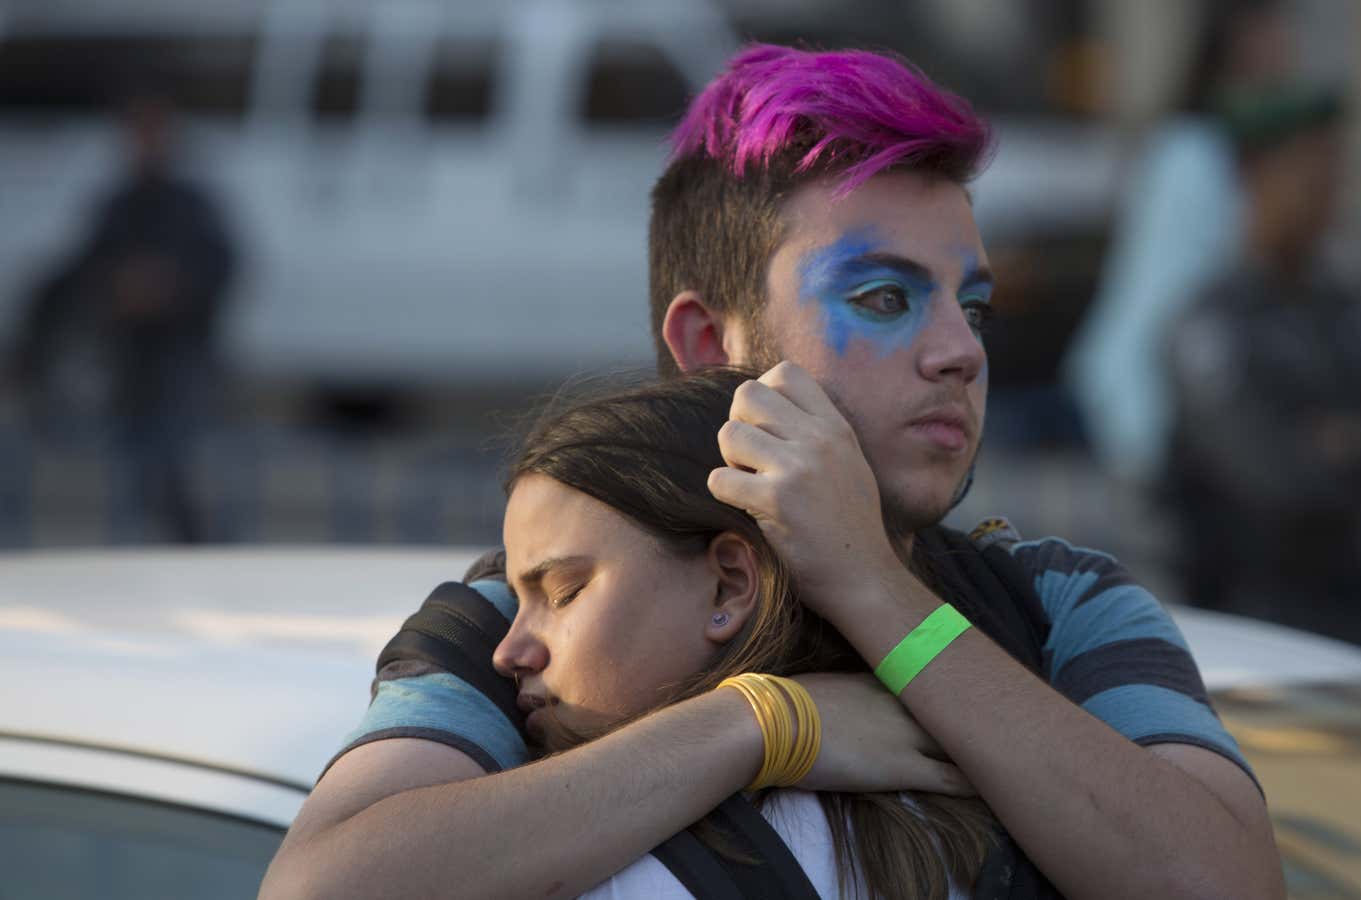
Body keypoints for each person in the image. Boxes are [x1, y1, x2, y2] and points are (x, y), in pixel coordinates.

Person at [263, 45, 1283, 900]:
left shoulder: (1062, 603)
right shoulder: (535, 615)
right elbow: (326, 887)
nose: (959, 352)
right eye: (884, 298)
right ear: (710, 347)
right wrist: (760, 725)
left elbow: (1221, 884)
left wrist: (875, 592)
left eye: (968, 305)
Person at [495, 368, 1029, 900]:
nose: (506, 652)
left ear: (729, 586)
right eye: (517, 603)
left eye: (564, 591)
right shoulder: (1001, 841)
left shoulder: (595, 873)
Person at [1163, 85, 1361, 649]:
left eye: (1336, 176)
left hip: (1355, 613)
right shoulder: (1215, 322)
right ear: (1255, 178)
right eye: (1311, 176)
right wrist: (1358, 441)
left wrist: (1341, 442)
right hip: (1249, 621)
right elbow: (1272, 474)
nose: (1331, 196)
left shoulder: (1350, 304)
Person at [1067, 0, 1294, 485]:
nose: (1286, 58)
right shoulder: (1194, 157)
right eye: (1272, 37)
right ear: (1237, 45)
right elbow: (1173, 299)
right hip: (1153, 412)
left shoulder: (1225, 152)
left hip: (1185, 416)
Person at [14, 88, 236, 541]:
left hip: (179, 356)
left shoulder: (191, 203)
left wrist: (168, 289)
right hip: (129, 357)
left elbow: (219, 268)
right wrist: (117, 288)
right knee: (133, 467)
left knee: (174, 462)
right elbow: (76, 273)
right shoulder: (118, 204)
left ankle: (189, 550)